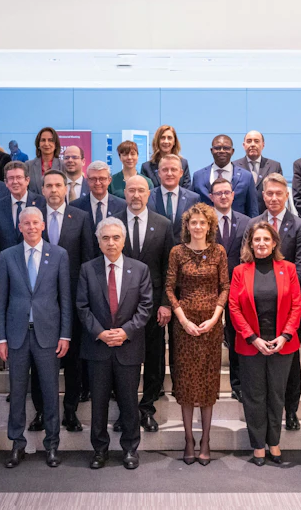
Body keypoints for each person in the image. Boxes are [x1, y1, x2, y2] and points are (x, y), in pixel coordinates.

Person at [0, 207, 72, 469]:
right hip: (16, 335)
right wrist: (0, 338)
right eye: (26, 223)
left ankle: (52, 445)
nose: (31, 227)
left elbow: (65, 298)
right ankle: (17, 444)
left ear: (43, 225)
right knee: (17, 392)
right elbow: (1, 300)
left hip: (48, 335)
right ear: (20, 227)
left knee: (50, 391)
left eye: (35, 222)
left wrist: (65, 334)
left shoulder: (59, 254)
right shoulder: (8, 256)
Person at [77, 217, 153, 470]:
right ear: (98, 242)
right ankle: (100, 450)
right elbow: (82, 307)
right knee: (98, 403)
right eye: (105, 238)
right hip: (97, 348)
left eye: (116, 237)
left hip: (128, 347)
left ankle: (130, 448)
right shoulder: (88, 270)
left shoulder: (140, 269)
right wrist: (100, 333)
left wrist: (125, 331)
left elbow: (145, 306)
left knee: (129, 402)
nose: (111, 242)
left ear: (124, 240)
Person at [228, 222, 301, 466]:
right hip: (251, 344)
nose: (261, 243)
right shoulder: (240, 271)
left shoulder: (288, 269)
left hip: (282, 344)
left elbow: (296, 305)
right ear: (250, 244)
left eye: (266, 239)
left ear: (274, 244)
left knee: (276, 395)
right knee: (254, 396)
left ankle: (274, 443)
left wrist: (285, 336)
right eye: (257, 239)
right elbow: (234, 307)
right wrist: (252, 338)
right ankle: (258, 445)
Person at [165, 203, 229, 465]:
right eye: (194, 222)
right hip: (185, 326)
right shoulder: (177, 252)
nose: (198, 226)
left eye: (203, 222)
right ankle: (189, 440)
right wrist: (182, 319)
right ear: (187, 226)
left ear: (210, 225)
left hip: (211, 326)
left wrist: (215, 318)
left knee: (208, 383)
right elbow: (170, 288)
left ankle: (206, 441)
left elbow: (225, 287)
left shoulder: (219, 252)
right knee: (186, 383)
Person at [114, 175, 175, 433]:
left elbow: (169, 267)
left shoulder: (163, 224)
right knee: (123, 361)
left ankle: (147, 408)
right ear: (124, 194)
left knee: (153, 358)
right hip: (120, 305)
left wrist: (166, 303)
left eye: (141, 190)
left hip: (153, 305)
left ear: (149, 194)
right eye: (131, 190)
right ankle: (126, 411)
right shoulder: (114, 223)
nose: (136, 195)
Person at [37, 169, 96, 433]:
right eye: (48, 185)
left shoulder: (81, 217)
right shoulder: (33, 217)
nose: (53, 190)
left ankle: (70, 411)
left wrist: (84, 298)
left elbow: (87, 260)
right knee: (40, 358)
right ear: (42, 189)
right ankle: (41, 411)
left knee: (73, 360)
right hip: (40, 302)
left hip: (72, 300)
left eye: (58, 185)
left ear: (66, 189)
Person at [253, 172, 301, 429]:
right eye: (269, 193)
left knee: (290, 362)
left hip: (288, 305)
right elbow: (247, 260)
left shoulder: (299, 226)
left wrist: (284, 291)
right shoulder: (253, 224)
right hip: (258, 305)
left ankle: (291, 410)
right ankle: (265, 411)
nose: (274, 198)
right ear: (263, 195)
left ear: (287, 195)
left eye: (279, 193)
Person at [210, 177, 253, 401]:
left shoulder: (247, 222)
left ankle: (238, 385)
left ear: (233, 195)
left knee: (237, 337)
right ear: (211, 197)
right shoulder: (204, 221)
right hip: (210, 287)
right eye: (219, 193)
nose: (223, 196)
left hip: (239, 287)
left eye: (227, 192)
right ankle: (209, 385)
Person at [0, 161, 43, 262]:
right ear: (6, 182)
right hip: (7, 266)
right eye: (11, 178)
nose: (15, 182)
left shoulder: (41, 203)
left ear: (27, 180)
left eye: (19, 177)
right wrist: (4, 265)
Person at [192, 134, 259, 217]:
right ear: (211, 150)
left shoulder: (246, 177)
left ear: (232, 151)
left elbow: (252, 210)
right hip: (206, 224)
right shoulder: (198, 176)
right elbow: (192, 208)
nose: (222, 151)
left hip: (237, 224)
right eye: (217, 148)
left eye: (226, 148)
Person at [70, 161, 128, 249]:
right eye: (93, 179)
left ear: (109, 180)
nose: (97, 183)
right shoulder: (75, 206)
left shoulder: (122, 206)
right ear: (87, 180)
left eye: (102, 178)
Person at [148, 154, 202, 243]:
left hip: (184, 249)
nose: (169, 173)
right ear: (159, 173)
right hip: (155, 250)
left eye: (173, 169)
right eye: (165, 170)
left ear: (181, 173)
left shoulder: (193, 199)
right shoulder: (148, 197)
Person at [232, 130, 283, 214]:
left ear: (263, 145)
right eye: (249, 141)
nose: (252, 144)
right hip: (242, 216)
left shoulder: (274, 166)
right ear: (244, 145)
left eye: (256, 141)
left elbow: (278, 193)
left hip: (267, 216)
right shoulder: (234, 166)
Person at [141, 124, 192, 190]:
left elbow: (187, 191)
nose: (166, 141)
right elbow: (145, 192)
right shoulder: (147, 167)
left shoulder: (183, 164)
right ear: (157, 141)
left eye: (169, 138)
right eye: (162, 138)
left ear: (174, 142)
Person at [25, 127, 63, 195]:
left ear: (56, 144)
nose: (46, 143)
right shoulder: (28, 166)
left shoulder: (63, 165)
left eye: (50, 140)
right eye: (43, 140)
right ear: (38, 144)